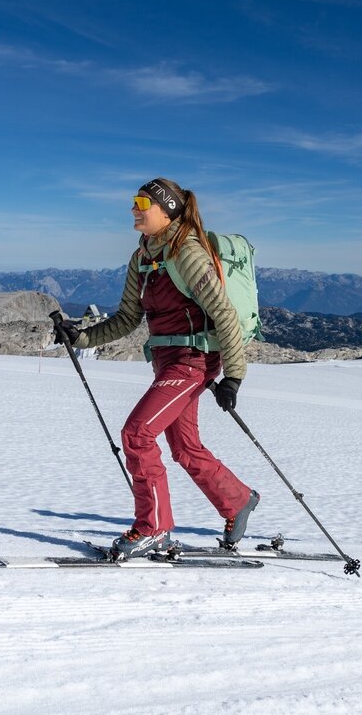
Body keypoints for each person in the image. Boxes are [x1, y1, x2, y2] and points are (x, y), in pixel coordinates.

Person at [54, 178, 259, 560]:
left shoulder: (188, 254)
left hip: (193, 360)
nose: (133, 208)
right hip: (168, 360)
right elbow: (129, 318)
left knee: (137, 433)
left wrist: (234, 376)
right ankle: (237, 500)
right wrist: (79, 337)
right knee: (184, 446)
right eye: (134, 201)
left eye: (141, 202)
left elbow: (224, 314)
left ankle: (155, 528)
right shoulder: (142, 257)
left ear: (165, 210)